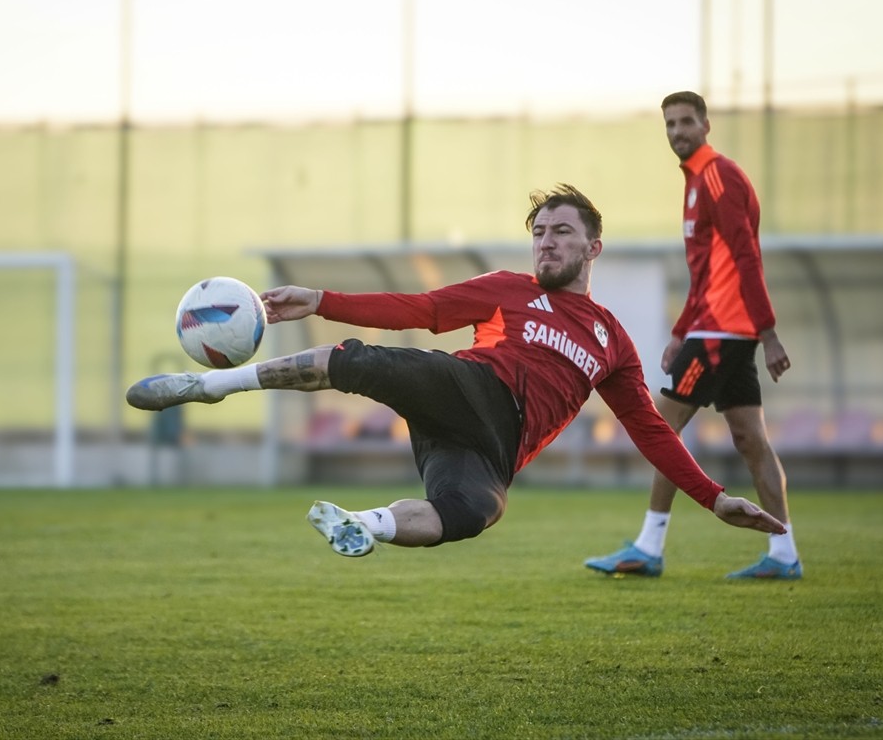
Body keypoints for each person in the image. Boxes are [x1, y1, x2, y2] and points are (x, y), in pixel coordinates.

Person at [127, 184, 786, 557]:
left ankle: (366, 523)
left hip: (495, 446)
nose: (546, 241)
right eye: (539, 233)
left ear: (593, 246)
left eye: (560, 231)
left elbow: (649, 430)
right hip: (474, 384)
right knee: (359, 363)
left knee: (468, 514)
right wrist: (323, 301)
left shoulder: (611, 337)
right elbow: (423, 306)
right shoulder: (508, 288)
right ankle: (208, 386)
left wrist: (713, 497)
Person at [584, 91, 802, 580]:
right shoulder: (696, 182)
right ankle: (785, 554)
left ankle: (648, 547)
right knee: (751, 440)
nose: (677, 131)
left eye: (686, 121)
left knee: (662, 431)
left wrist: (768, 332)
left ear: (706, 125)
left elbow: (745, 255)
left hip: (724, 333)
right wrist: (681, 330)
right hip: (714, 331)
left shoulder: (719, 177)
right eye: (669, 124)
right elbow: (706, 271)